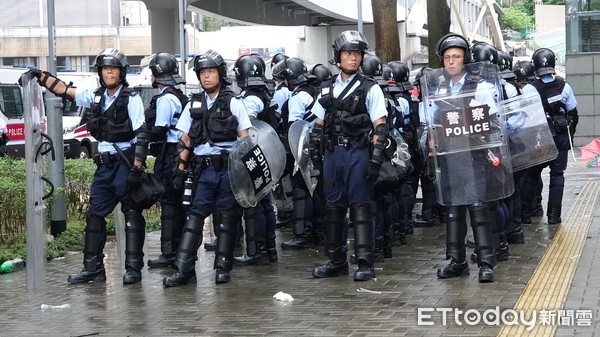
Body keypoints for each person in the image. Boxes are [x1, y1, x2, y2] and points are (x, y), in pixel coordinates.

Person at [24, 48, 149, 284]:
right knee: (94, 215)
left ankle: (133, 269)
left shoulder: (131, 99)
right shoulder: (95, 95)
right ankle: (93, 269)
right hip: (104, 167)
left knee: (132, 213)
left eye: (113, 68)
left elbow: (141, 134)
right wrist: (39, 75)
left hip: (125, 165)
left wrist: (137, 167)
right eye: (105, 68)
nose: (109, 72)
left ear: (121, 72)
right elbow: (63, 90)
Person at [163, 49, 252, 286]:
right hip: (202, 171)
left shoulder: (234, 101)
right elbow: (185, 140)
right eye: (202, 73)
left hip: (227, 170)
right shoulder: (193, 104)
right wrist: (179, 170)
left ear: (220, 74)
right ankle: (184, 270)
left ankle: (223, 268)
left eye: (211, 72)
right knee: (194, 218)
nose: (206, 77)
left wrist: (244, 174)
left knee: (226, 218)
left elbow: (245, 140)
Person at [429, 34, 510, 283]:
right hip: (449, 156)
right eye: (447, 57)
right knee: (453, 209)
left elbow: (495, 123)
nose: (452, 61)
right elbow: (432, 122)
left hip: (474, 156)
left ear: (466, 59)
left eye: (457, 56)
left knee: (478, 207)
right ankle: (457, 261)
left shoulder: (481, 87)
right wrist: (431, 140)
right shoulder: (439, 88)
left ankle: (486, 262)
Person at [310, 30, 388, 281]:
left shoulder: (370, 88)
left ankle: (365, 261)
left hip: (358, 152)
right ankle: (335, 260)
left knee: (361, 207)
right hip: (333, 154)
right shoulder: (326, 88)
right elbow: (318, 126)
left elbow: (380, 126)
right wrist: (315, 158)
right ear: (338, 56)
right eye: (347, 53)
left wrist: (375, 159)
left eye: (356, 54)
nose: (352, 58)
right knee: (333, 208)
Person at [520, 48, 578, 224]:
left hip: (539, 136)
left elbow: (526, 117)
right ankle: (554, 215)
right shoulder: (564, 86)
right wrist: (570, 138)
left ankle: (525, 213)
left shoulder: (529, 88)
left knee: (532, 175)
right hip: (560, 135)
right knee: (557, 174)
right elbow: (573, 114)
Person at [232, 54, 279, 265]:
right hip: (262, 155)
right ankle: (268, 248)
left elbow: (246, 126)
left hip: (252, 155)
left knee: (254, 204)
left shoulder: (251, 98)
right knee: (264, 202)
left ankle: (256, 251)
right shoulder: (262, 94)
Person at [144, 52, 189, 269]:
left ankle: (169, 253)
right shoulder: (179, 95)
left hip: (168, 154)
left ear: (156, 75)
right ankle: (179, 250)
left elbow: (160, 130)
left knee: (169, 203)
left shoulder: (164, 99)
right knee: (178, 202)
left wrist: (142, 135)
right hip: (180, 153)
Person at [274, 57, 323, 250]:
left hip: (303, 148)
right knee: (316, 189)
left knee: (301, 189)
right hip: (317, 146)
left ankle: (302, 232)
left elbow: (296, 128)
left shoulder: (296, 98)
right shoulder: (313, 91)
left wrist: (295, 154)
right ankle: (319, 229)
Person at [269, 53, 294, 228]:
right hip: (290, 137)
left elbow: (276, 116)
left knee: (282, 178)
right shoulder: (292, 90)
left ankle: (285, 213)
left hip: (281, 137)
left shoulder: (280, 92)